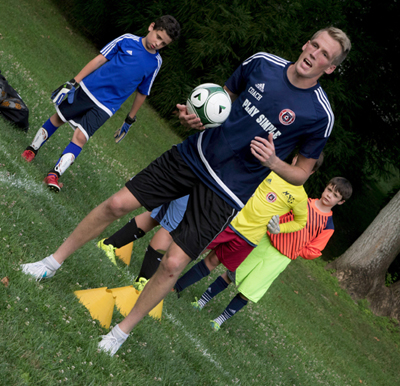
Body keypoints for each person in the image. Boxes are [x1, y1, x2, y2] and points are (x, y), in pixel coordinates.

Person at [21, 27, 351, 356]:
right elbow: (222, 101)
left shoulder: (319, 115)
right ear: (305, 43)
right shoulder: (262, 63)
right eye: (314, 45)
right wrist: (198, 117)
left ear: (330, 68)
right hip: (193, 156)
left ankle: (119, 334)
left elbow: (302, 172)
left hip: (228, 190)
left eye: (325, 54)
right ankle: (50, 263)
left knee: (173, 263)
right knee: (117, 204)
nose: (314, 54)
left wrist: (275, 162)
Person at [21, 16, 181, 192]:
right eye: (158, 37)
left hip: (107, 106)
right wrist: (73, 82)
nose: (158, 44)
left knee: (81, 137)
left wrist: (130, 119)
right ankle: (31, 150)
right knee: (59, 118)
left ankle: (54, 175)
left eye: (163, 43)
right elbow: (99, 59)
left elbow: (143, 91)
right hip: (89, 90)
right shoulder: (127, 40)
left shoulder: (156, 63)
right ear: (152, 27)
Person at [191, 177, 352, 331]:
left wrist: (296, 248)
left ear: (341, 201)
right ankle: (201, 302)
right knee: (232, 273)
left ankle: (219, 321)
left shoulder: (328, 226)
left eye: (335, 195)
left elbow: (315, 249)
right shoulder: (302, 203)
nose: (329, 195)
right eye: (329, 190)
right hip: (265, 242)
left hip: (280, 259)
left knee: (250, 289)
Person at [173, 153, 324, 295]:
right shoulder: (271, 170)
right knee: (196, 247)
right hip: (230, 220)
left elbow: (300, 222)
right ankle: (165, 276)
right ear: (295, 157)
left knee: (214, 260)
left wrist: (280, 228)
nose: (299, 165)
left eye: (306, 167)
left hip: (249, 237)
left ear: (310, 173)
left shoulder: (300, 196)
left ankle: (176, 288)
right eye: (299, 159)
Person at [98, 196, 189, 281]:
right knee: (170, 230)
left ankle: (108, 244)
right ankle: (143, 280)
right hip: (193, 187)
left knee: (157, 216)